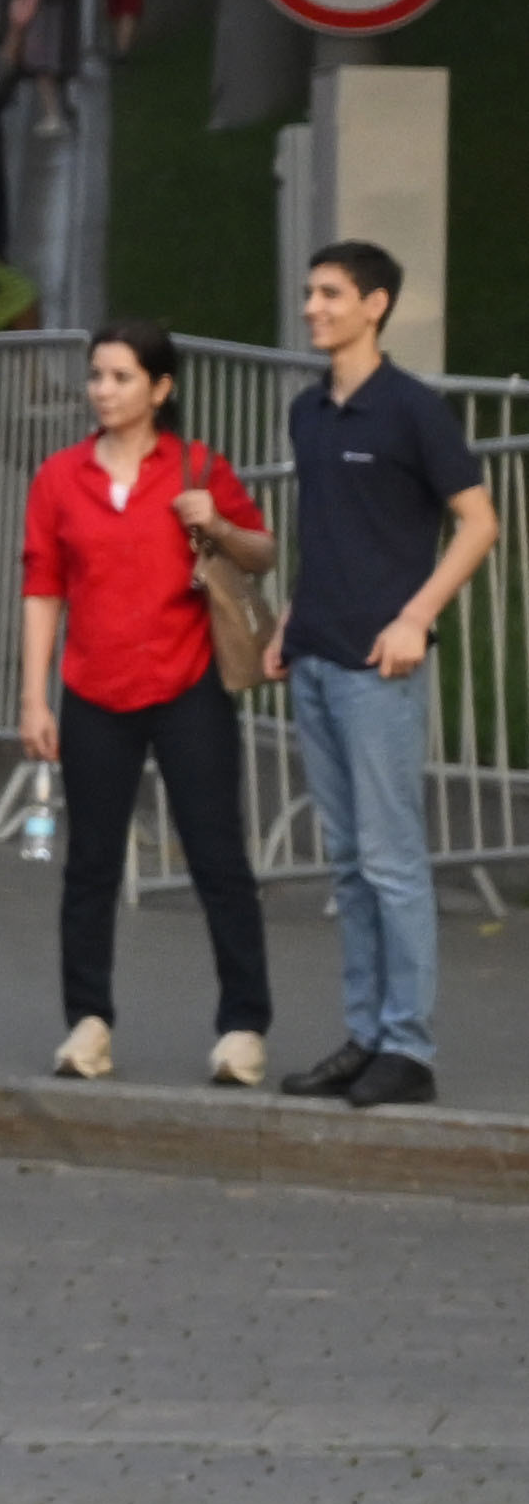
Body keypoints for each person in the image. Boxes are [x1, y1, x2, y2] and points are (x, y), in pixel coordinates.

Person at [21, 319, 274, 1088]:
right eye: (96, 375)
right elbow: (43, 586)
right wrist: (34, 697)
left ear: (160, 389)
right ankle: (88, 1023)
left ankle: (242, 1028)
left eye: (121, 377)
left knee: (217, 857)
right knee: (90, 864)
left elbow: (262, 551)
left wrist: (216, 522)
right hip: (93, 688)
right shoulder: (60, 476)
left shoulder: (198, 466)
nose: (103, 390)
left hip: (187, 683)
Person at [277, 240, 500, 1107]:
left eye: (331, 294)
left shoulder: (413, 410)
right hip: (315, 656)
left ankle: (408, 1047)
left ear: (375, 306)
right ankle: (366, 1034)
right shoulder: (307, 412)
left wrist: (417, 616)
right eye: (310, 292)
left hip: (379, 668)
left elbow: (479, 522)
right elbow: (327, 529)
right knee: (346, 862)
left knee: (392, 859)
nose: (313, 307)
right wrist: (290, 619)